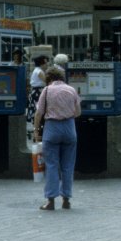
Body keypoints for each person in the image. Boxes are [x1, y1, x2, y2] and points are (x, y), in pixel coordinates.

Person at [33, 65, 82, 210]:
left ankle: (50, 200)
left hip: (52, 128)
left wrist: (36, 131)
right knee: (68, 166)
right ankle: (66, 199)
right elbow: (78, 112)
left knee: (52, 165)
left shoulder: (47, 91)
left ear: (48, 78)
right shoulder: (71, 90)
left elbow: (38, 113)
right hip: (69, 128)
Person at [26, 55, 49, 124]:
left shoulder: (37, 70)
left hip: (36, 91)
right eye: (46, 62)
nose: (47, 64)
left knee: (36, 109)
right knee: (39, 109)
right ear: (42, 63)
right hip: (38, 92)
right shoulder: (39, 72)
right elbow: (47, 81)